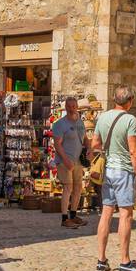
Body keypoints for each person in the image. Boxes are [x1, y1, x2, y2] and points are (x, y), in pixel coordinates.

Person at [91, 86, 136, 271]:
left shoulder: (103, 117)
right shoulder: (130, 120)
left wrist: (109, 149)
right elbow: (134, 151)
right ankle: (124, 260)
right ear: (129, 101)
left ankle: (101, 259)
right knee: (125, 215)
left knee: (106, 213)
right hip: (123, 171)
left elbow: (95, 144)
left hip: (108, 171)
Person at [52, 96, 90, 229]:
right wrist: (66, 160)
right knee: (68, 188)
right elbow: (57, 144)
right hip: (65, 161)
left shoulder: (80, 122)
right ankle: (64, 218)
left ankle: (73, 215)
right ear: (66, 107)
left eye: (74, 106)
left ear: (77, 107)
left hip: (78, 160)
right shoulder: (59, 124)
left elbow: (85, 138)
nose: (72, 108)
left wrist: (89, 148)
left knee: (78, 187)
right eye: (69, 106)